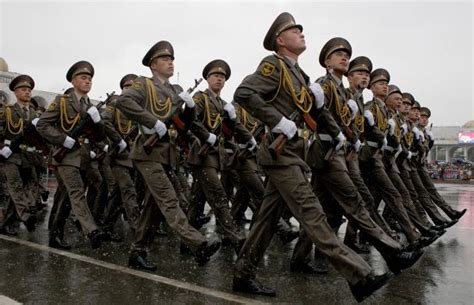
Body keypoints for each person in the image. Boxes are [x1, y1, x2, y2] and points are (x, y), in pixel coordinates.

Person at [232, 12, 393, 302]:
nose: (302, 33)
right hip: (281, 156)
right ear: (281, 40)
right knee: (311, 213)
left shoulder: (299, 74)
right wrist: (278, 121)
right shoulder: (274, 65)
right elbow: (244, 93)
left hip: (294, 154)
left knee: (266, 221)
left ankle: (243, 274)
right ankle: (358, 275)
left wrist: (331, 124)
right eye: (295, 31)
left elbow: (311, 114)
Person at [115, 41, 220, 271]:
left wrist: (190, 107)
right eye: (165, 59)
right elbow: (123, 101)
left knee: (153, 208)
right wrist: (152, 122)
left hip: (167, 154)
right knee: (169, 199)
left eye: (172, 59)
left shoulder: (174, 90)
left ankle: (137, 253)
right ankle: (198, 243)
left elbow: (184, 126)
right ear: (153, 64)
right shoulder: (143, 84)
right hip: (148, 152)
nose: (171, 62)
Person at [36, 61, 107, 249]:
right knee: (77, 191)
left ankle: (55, 234)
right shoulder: (62, 101)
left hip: (81, 157)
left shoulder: (89, 105)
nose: (88, 81)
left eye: (90, 79)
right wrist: (61, 139)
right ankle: (92, 230)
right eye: (83, 78)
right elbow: (42, 125)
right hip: (64, 156)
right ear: (74, 81)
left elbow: (98, 136)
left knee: (67, 197)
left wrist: (98, 122)